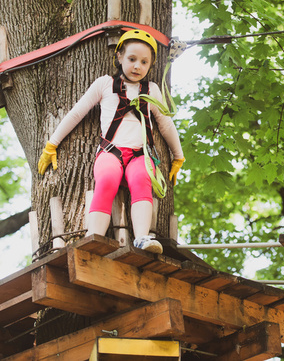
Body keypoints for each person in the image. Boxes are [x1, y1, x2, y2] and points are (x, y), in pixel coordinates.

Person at [37, 29, 184, 254]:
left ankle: (143, 238)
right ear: (119, 57)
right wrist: (52, 144)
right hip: (110, 152)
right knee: (106, 181)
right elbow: (77, 113)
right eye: (132, 59)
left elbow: (165, 124)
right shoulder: (105, 85)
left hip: (139, 155)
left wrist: (178, 155)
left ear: (150, 65)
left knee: (143, 181)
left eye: (144, 62)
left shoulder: (151, 90)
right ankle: (94, 238)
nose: (137, 66)